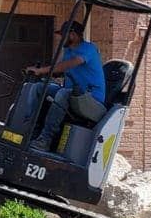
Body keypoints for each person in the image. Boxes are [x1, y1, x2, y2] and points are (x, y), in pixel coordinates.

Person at [23, 21, 105, 151]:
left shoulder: (88, 49)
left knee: (63, 93)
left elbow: (68, 65)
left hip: (91, 98)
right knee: (38, 87)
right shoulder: (68, 50)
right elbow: (59, 69)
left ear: (73, 35)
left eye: (63, 35)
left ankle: (45, 140)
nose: (61, 39)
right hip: (73, 93)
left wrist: (42, 70)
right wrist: (39, 71)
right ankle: (31, 130)